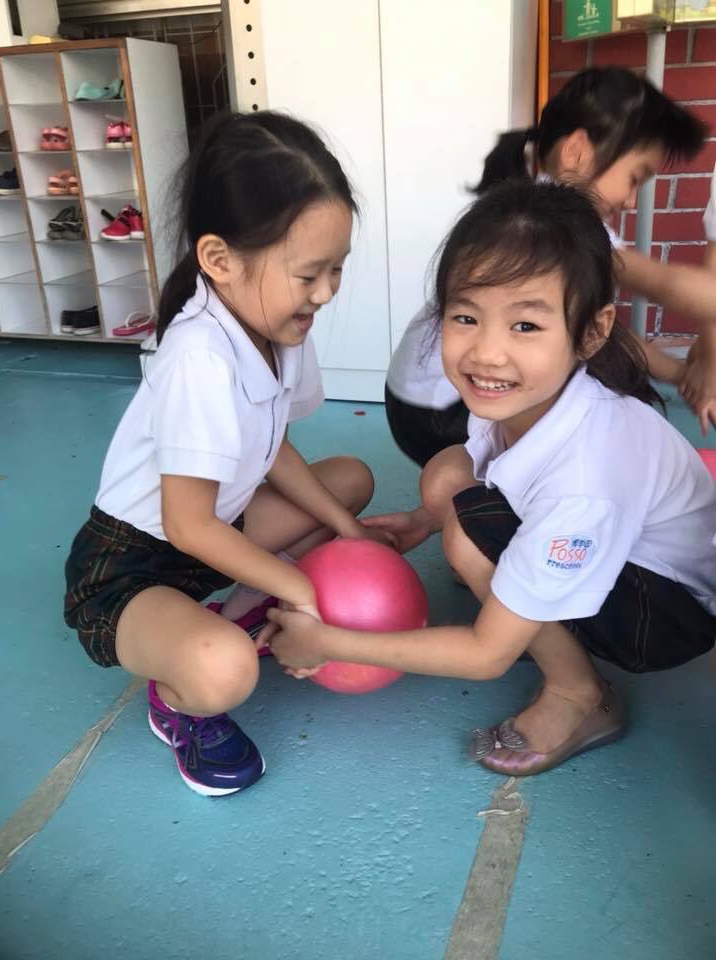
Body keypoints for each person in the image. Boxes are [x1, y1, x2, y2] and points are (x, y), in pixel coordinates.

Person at [266, 181, 716, 778]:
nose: (487, 352)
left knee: (468, 536)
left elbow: (485, 655)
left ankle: (578, 695)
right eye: (465, 316)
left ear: (592, 331)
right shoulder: (519, 403)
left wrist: (327, 643)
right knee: (446, 476)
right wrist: (423, 521)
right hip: (621, 553)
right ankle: (521, 590)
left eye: (525, 326)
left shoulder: (586, 476)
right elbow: (477, 470)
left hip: (665, 616)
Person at [64, 111, 391, 798]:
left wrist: (349, 529)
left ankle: (228, 606)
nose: (326, 292)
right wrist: (294, 586)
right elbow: (186, 526)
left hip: (217, 527)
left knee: (350, 482)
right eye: (310, 274)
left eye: (337, 269)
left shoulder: (280, 328)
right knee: (226, 671)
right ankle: (177, 704)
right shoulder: (199, 358)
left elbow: (269, 449)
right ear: (219, 260)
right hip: (131, 565)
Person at [386, 66, 716, 466]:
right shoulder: (559, 228)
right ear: (577, 151)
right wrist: (698, 368)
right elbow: (695, 295)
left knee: (574, 348)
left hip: (413, 402)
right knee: (595, 408)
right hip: (444, 412)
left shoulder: (527, 203)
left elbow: (601, 335)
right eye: (634, 178)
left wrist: (682, 374)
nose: (631, 201)